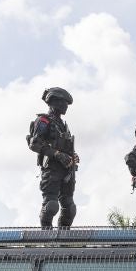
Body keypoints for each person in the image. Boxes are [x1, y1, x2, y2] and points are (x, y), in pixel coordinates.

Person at [27, 87, 78, 229]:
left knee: (70, 209)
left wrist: (72, 155)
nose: (66, 106)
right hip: (51, 170)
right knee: (51, 206)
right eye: (63, 103)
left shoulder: (64, 126)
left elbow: (66, 146)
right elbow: (34, 144)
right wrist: (57, 154)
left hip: (67, 172)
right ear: (54, 102)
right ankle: (46, 234)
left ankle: (63, 238)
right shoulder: (43, 120)